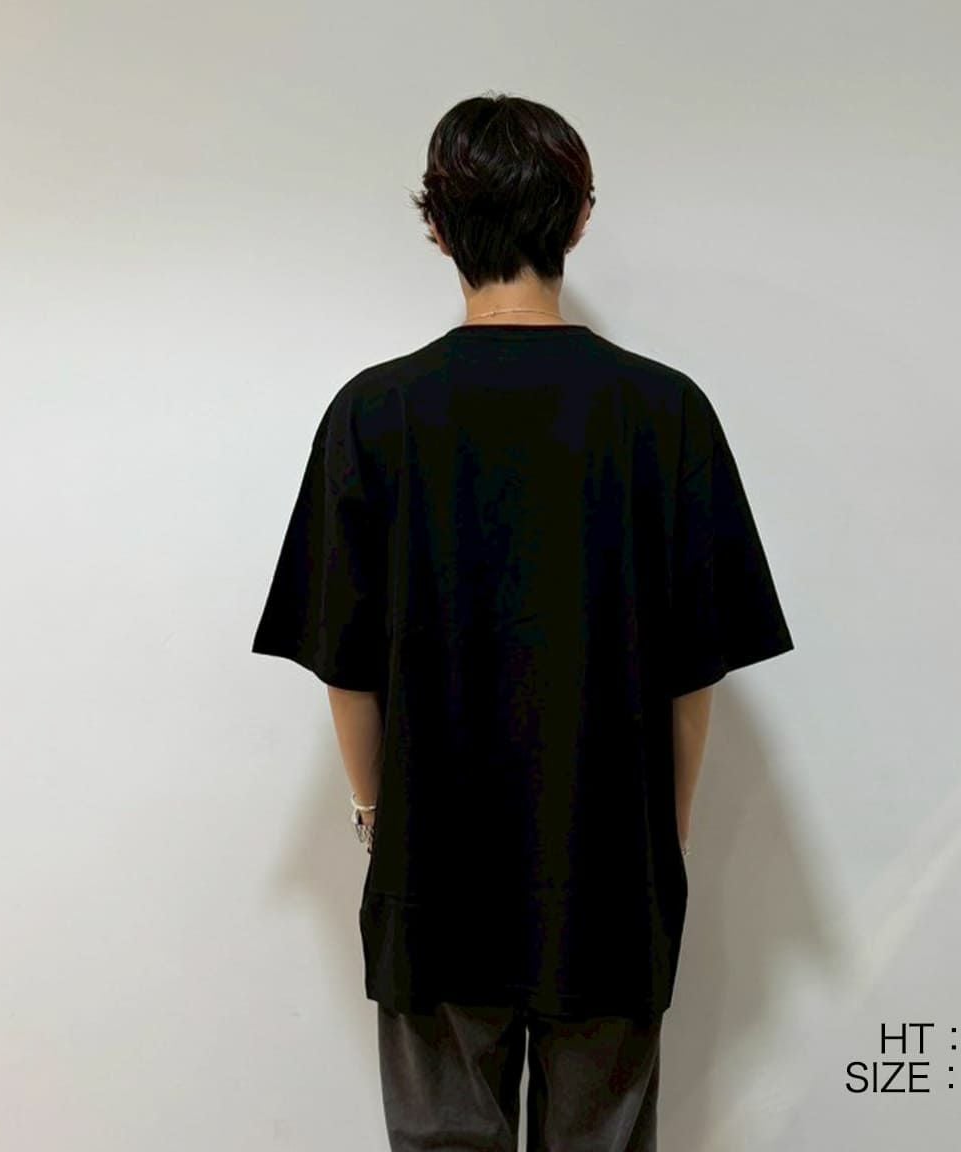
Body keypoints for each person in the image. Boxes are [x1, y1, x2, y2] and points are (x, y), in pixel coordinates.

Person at [251, 91, 795, 1151]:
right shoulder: (664, 412)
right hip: (611, 881)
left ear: (436, 227)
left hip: (432, 882)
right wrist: (665, 832)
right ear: (578, 219)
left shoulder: (374, 414)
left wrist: (373, 817)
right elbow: (695, 675)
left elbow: (345, 670)